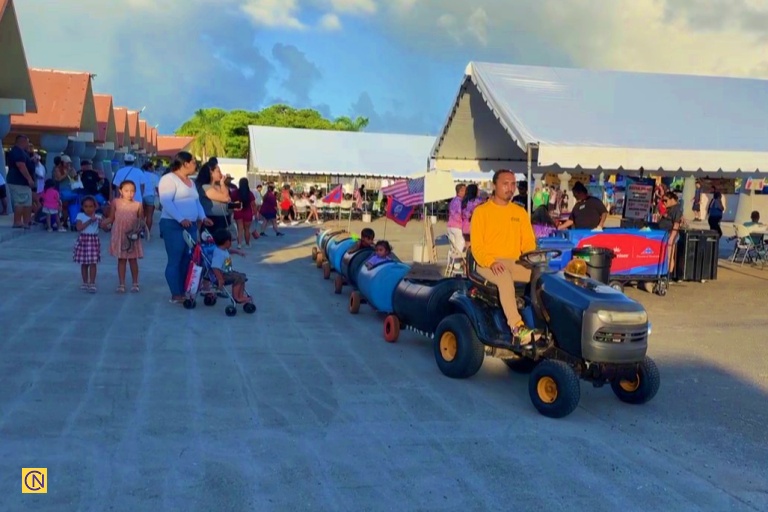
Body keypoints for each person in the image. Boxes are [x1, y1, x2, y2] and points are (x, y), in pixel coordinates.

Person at [470, 169, 537, 344]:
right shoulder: (481, 212)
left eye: (513, 184)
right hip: (488, 263)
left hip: (515, 262)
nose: (510, 188)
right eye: (505, 184)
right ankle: (517, 328)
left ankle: (544, 323)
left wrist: (533, 260)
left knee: (543, 278)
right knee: (504, 277)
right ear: (494, 185)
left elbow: (528, 243)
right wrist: (490, 262)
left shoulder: (520, 213)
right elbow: (477, 246)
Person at [158, 151, 212, 304]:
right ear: (185, 163)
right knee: (175, 259)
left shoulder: (191, 182)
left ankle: (184, 289)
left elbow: (196, 202)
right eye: (194, 162)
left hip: (191, 226)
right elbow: (166, 202)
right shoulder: (168, 179)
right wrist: (181, 219)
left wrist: (203, 217)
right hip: (173, 225)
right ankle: (176, 293)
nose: (196, 165)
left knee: (188, 259)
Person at [102, 180, 144, 293]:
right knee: (121, 259)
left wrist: (137, 231)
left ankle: (135, 283)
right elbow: (111, 218)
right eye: (126, 191)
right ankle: (121, 283)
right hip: (119, 233)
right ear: (120, 191)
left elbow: (141, 221)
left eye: (132, 191)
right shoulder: (115, 202)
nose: (129, 193)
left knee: (133, 260)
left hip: (132, 235)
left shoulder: (138, 205)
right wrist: (102, 223)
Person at [210, 228, 253, 305]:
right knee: (238, 278)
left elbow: (229, 251)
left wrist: (238, 252)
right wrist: (220, 279)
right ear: (227, 242)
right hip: (223, 275)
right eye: (230, 241)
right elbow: (215, 267)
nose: (231, 242)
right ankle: (237, 297)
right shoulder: (219, 254)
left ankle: (240, 295)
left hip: (228, 271)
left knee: (242, 276)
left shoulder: (223, 249)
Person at [73, 196, 104, 293]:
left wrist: (103, 222)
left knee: (93, 263)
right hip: (83, 240)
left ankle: (92, 282)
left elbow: (106, 228)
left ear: (95, 207)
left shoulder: (98, 216)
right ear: (82, 207)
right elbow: (79, 227)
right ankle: (85, 282)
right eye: (86, 206)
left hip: (93, 240)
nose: (88, 209)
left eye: (91, 206)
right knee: (84, 263)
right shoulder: (80, 216)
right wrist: (90, 220)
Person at [6, 135, 36, 229]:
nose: (28, 144)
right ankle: (17, 221)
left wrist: (31, 161)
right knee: (20, 201)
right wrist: (29, 179)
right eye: (27, 142)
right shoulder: (17, 151)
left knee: (27, 202)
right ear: (22, 142)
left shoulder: (23, 152)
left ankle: (27, 222)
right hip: (18, 181)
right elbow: (21, 165)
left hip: (23, 183)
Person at [196, 163, 231, 233]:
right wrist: (222, 183)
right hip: (212, 219)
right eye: (218, 171)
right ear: (211, 173)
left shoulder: (217, 186)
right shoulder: (205, 187)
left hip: (223, 218)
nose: (221, 173)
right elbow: (225, 198)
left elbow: (228, 198)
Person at [658, 191, 683, 275]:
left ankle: (669, 274)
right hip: (665, 234)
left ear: (672, 199)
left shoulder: (677, 209)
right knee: (665, 255)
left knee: (669, 255)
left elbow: (676, 224)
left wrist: (671, 238)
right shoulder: (670, 208)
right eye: (663, 201)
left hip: (671, 234)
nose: (664, 202)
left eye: (666, 200)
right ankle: (665, 273)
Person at [231, 177, 258, 248]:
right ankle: (247, 243)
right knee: (247, 229)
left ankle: (239, 244)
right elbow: (253, 205)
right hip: (247, 212)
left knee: (240, 229)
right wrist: (256, 213)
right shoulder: (250, 193)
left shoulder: (235, 192)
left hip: (238, 211)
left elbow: (230, 201)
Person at [142, 162, 160, 240]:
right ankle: (148, 233)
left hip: (141, 196)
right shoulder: (155, 176)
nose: (153, 168)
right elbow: (157, 188)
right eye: (152, 167)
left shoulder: (141, 174)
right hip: (150, 196)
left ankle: (141, 231)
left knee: (141, 215)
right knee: (149, 215)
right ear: (149, 168)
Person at [446, 184, 466, 257]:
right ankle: (456, 264)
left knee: (453, 247)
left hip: (450, 225)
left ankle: (452, 263)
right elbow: (461, 213)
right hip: (457, 226)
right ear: (460, 191)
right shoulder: (460, 201)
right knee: (460, 245)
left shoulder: (453, 200)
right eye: (464, 190)